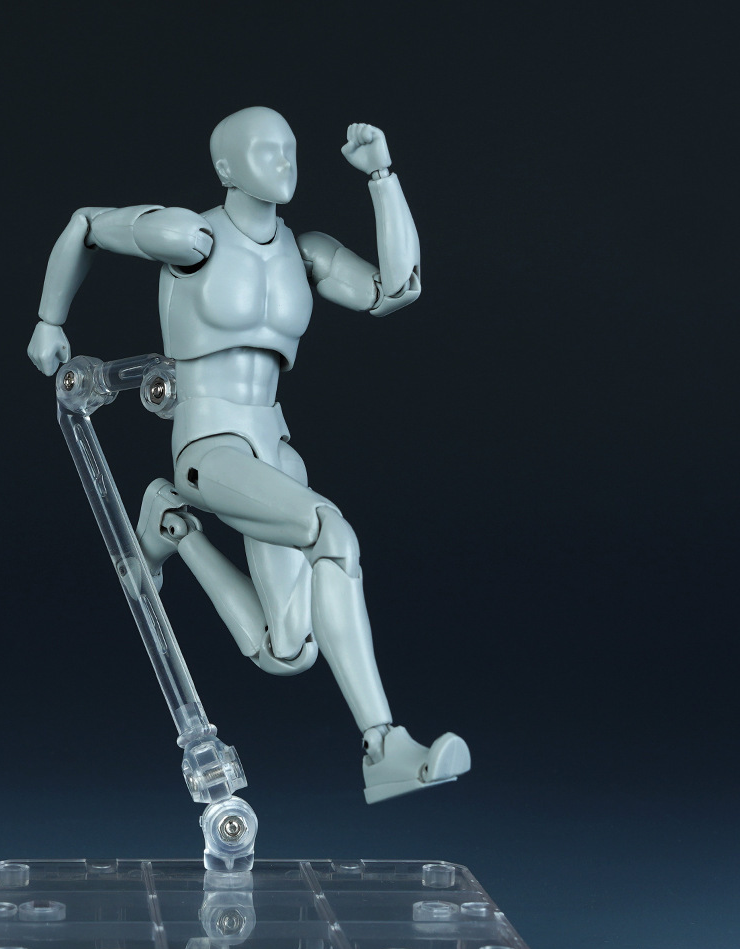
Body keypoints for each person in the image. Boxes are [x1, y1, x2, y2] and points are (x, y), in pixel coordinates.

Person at [28, 107, 469, 802]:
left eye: (290, 149)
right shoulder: (192, 236)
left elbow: (397, 290)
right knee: (331, 532)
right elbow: (87, 223)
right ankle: (383, 748)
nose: (284, 161)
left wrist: (382, 176)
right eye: (266, 150)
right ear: (226, 167)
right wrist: (49, 321)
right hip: (209, 441)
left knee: (286, 650)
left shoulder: (306, 252)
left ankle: (171, 525)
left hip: (274, 446)